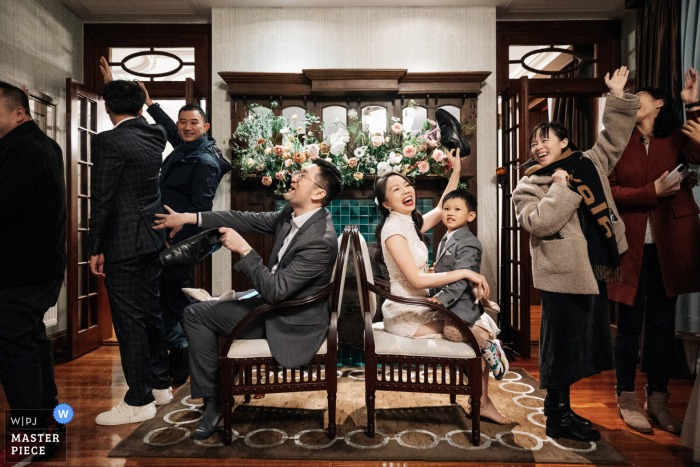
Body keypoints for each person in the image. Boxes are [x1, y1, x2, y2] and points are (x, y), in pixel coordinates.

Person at [153, 159, 344, 440]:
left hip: (289, 321)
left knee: (196, 315)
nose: (294, 177)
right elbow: (242, 218)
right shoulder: (291, 216)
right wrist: (190, 217)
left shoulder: (319, 239)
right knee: (201, 308)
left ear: (318, 193)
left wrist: (244, 250)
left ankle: (215, 402)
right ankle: (219, 393)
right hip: (274, 306)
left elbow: (276, 291)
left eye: (303, 175)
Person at [512, 67, 638, 442]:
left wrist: (616, 96)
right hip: (560, 274)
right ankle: (557, 417)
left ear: (564, 141)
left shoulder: (588, 162)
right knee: (561, 346)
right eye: (533, 143)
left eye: (544, 139)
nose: (537, 147)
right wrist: (561, 190)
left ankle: (565, 411)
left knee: (583, 344)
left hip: (592, 269)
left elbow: (614, 139)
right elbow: (538, 223)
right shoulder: (529, 183)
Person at [373, 151, 503, 423]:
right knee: (474, 331)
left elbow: (444, 207)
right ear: (386, 203)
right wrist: (466, 271)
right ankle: (483, 398)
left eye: (408, 185)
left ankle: (481, 397)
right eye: (397, 189)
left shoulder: (408, 222)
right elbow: (417, 281)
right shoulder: (394, 231)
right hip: (406, 311)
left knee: (474, 322)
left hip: (423, 303)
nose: (407, 190)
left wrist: (455, 171)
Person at [608, 67, 700, 434]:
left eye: (638, 96)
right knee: (628, 325)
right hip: (628, 247)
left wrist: (693, 106)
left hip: (670, 246)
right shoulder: (618, 140)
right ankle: (627, 399)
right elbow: (609, 191)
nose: (633, 100)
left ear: (659, 103)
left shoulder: (676, 137)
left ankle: (658, 400)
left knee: (663, 326)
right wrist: (651, 193)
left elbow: (697, 154)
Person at [88, 78, 172, 425]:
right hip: (151, 238)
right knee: (149, 312)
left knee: (128, 320)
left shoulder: (108, 141)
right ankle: (160, 386)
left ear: (107, 109)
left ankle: (138, 400)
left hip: (123, 241)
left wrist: (96, 247)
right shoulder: (155, 136)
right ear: (142, 106)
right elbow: (165, 126)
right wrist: (147, 103)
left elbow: (103, 198)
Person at [0, 81, 65, 461]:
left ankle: (31, 435)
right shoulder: (42, 143)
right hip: (39, 264)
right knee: (32, 338)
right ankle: (48, 419)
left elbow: (4, 205)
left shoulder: (22, 149)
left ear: (18, 113)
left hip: (21, 266)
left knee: (14, 347)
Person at [427, 188, 510, 424]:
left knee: (452, 332)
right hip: (452, 303)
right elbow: (449, 271)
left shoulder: (469, 242)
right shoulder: (448, 236)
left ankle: (490, 346)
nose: (449, 213)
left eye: (456, 209)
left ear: (470, 216)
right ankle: (487, 341)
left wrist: (440, 299)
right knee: (450, 331)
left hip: (460, 305)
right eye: (446, 208)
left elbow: (462, 278)